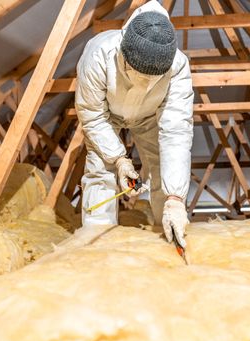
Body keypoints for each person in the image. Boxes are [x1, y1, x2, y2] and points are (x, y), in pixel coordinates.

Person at [75, 0, 193, 247]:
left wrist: (175, 198)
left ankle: (169, 233)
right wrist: (119, 159)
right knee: (100, 169)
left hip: (150, 116)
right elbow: (92, 115)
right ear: (124, 54)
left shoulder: (178, 67)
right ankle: (97, 243)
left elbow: (176, 130)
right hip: (107, 115)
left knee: (162, 167)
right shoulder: (98, 54)